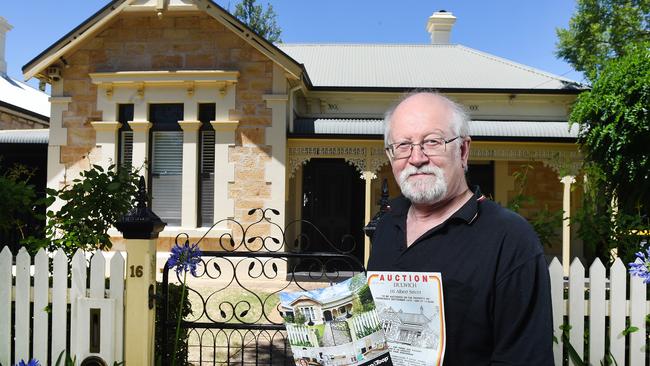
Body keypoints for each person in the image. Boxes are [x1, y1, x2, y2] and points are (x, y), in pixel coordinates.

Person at [367, 92, 554, 365]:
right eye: (403, 145)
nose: (416, 157)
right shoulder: (387, 226)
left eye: (432, 142)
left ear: (463, 150)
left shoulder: (510, 239)